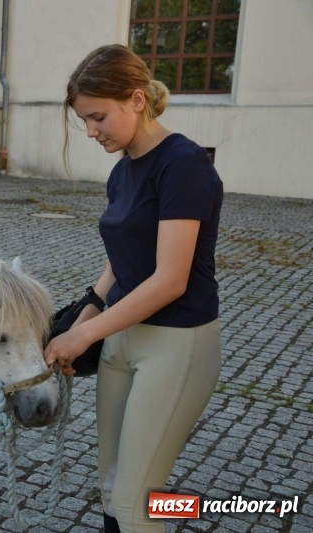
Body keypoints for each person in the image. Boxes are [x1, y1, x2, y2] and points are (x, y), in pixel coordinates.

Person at [44, 44, 223, 533]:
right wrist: (85, 312)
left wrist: (85, 335)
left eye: (98, 116)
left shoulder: (184, 163)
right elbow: (122, 259)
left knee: (136, 502)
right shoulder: (122, 171)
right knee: (111, 489)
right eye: (84, 120)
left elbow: (170, 279)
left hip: (175, 343)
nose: (91, 131)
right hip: (120, 337)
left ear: (137, 100)